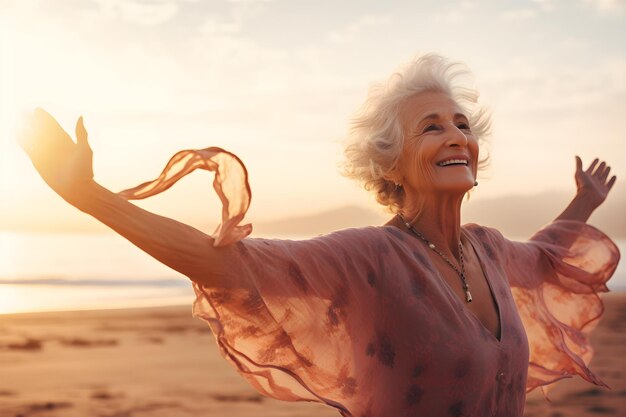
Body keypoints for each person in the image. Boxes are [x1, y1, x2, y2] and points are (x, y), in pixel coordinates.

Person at [19, 54, 620, 417]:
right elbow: (227, 266)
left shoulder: (487, 248)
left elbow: (542, 260)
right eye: (431, 127)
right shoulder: (369, 258)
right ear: (389, 165)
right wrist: (88, 198)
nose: (457, 135)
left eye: (462, 124)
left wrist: (582, 202)